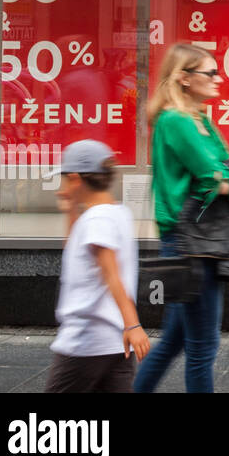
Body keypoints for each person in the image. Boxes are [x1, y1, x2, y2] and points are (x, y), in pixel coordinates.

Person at [133, 44, 229, 394]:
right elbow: (216, 176)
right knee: (202, 347)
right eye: (210, 73)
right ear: (184, 77)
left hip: (192, 240)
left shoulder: (198, 118)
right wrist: (228, 180)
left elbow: (228, 172)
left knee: (176, 342)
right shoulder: (176, 121)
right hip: (191, 243)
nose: (218, 79)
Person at [46, 139, 148, 393]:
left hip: (85, 339)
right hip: (114, 344)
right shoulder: (116, 213)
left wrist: (133, 325)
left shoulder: (97, 219)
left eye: (64, 180)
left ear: (76, 179)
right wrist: (71, 209)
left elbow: (111, 274)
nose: (61, 188)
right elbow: (74, 252)